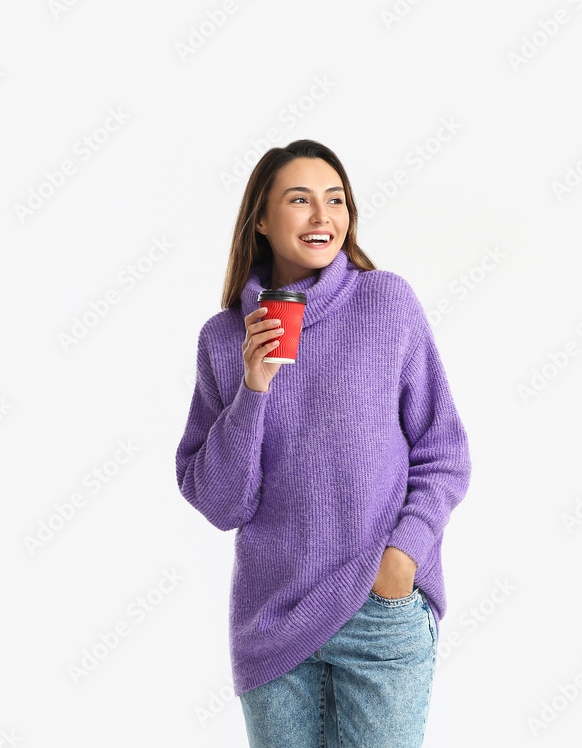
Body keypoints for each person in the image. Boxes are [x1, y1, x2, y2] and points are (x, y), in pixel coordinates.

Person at [175, 139, 472, 747]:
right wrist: (252, 389)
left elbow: (443, 452)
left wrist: (402, 559)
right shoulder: (224, 338)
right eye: (300, 200)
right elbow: (221, 504)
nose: (323, 217)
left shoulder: (386, 303)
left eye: (335, 200)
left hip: (379, 608)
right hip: (272, 624)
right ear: (260, 217)